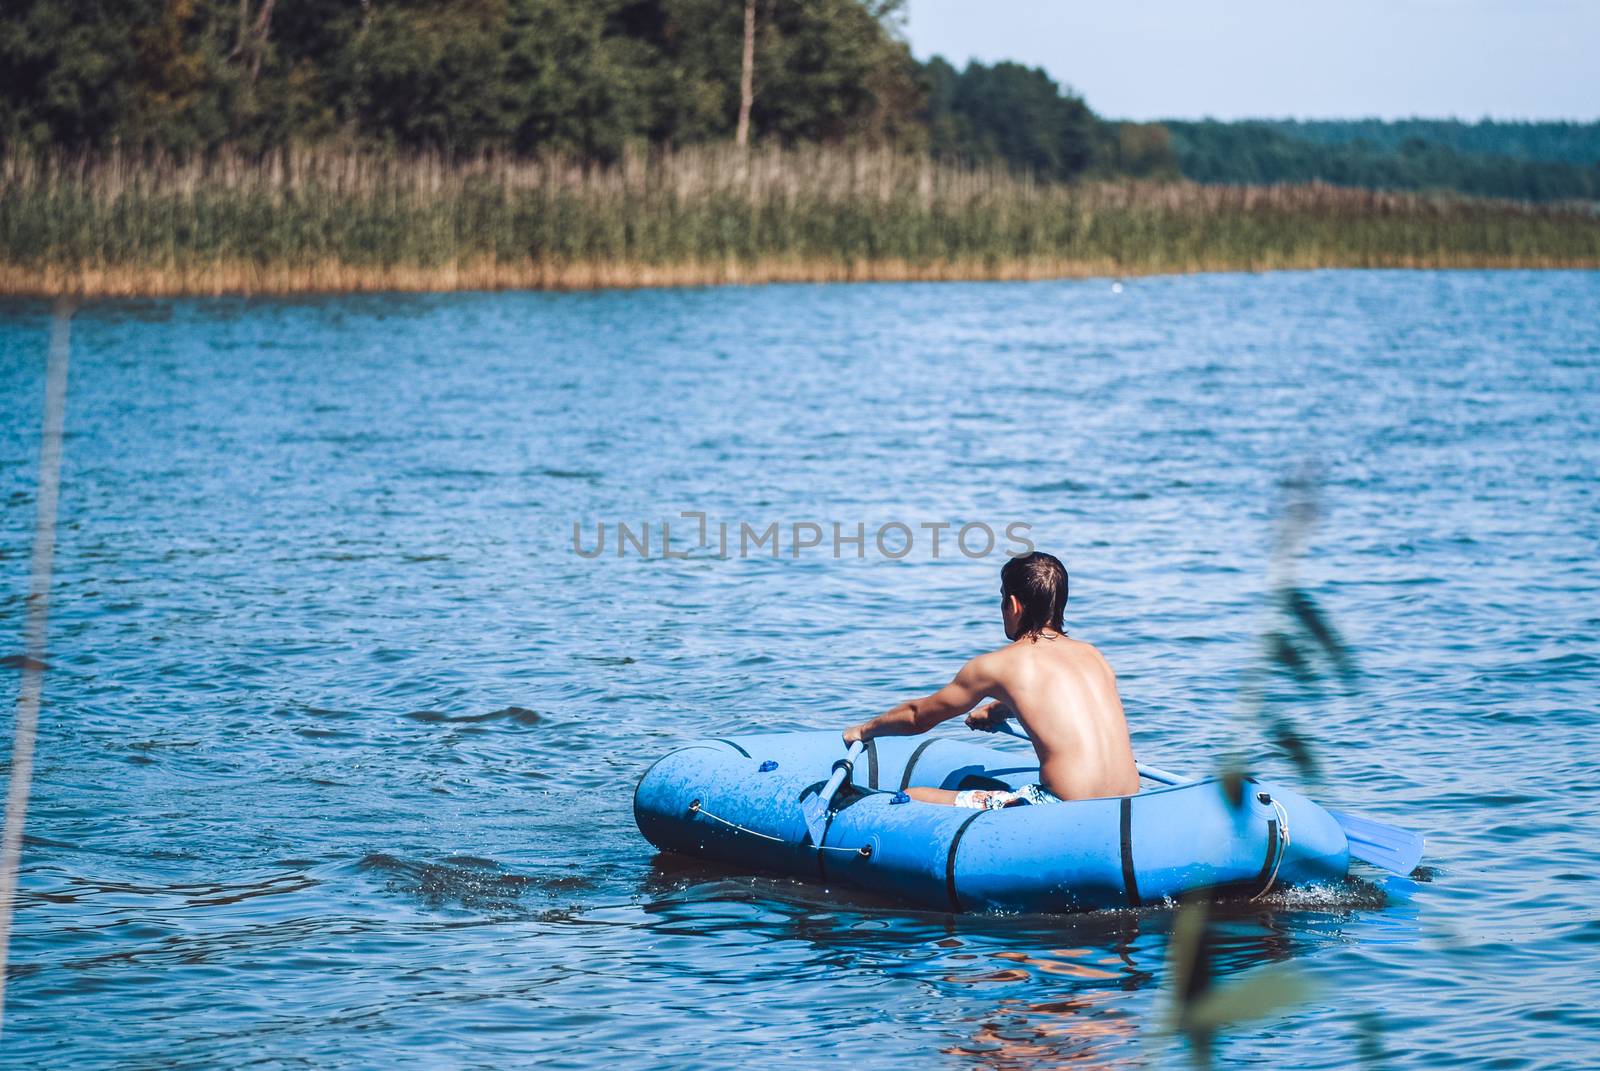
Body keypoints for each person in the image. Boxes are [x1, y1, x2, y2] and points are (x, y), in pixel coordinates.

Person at [842, 552, 1139, 807]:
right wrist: (997, 709)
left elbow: (917, 717)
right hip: (1128, 802)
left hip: (1061, 807)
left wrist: (864, 730)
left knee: (913, 796)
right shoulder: (1093, 656)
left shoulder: (998, 665)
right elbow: (1057, 696)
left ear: (1013, 604)